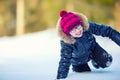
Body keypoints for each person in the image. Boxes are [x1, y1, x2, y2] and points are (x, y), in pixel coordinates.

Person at [56, 10, 120, 79]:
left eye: (77, 26)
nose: (78, 30)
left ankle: (95, 60)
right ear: (68, 33)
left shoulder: (87, 27)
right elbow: (64, 60)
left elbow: (108, 31)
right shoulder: (67, 43)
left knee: (107, 61)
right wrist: (60, 77)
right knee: (84, 75)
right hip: (79, 61)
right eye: (73, 30)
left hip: (93, 49)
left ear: (81, 23)